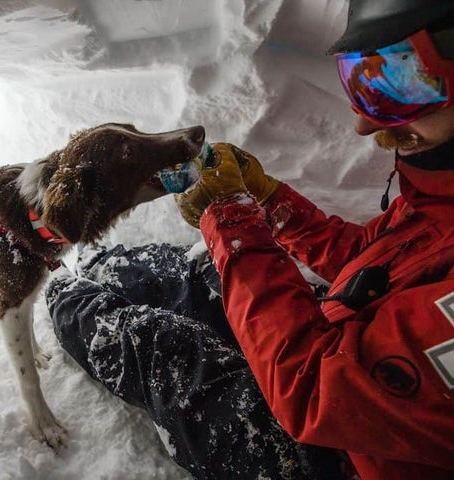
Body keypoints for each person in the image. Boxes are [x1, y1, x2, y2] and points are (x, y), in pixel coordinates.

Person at [45, 1, 454, 479]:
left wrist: (233, 223)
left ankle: (63, 295)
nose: (365, 123)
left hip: (340, 450)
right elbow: (374, 261)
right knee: (203, 272)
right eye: (360, 79)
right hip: (346, 342)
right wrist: (266, 201)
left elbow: (314, 392)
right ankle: (99, 266)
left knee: (168, 350)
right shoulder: (440, 199)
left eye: (400, 82)